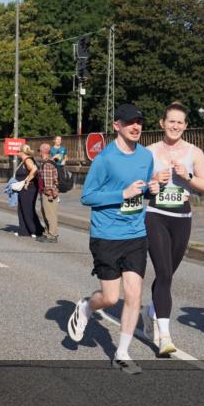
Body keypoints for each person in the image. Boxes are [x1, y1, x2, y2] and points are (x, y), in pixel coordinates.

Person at [69, 103, 154, 374]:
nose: (136, 126)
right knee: (110, 298)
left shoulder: (145, 157)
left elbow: (143, 192)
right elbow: (87, 196)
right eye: (130, 122)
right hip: (106, 235)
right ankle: (86, 306)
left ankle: (122, 352)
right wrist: (123, 194)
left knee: (134, 294)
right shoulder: (105, 159)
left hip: (136, 234)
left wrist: (152, 189)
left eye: (139, 121)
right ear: (116, 125)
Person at [141, 102, 204, 355]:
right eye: (171, 121)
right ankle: (165, 336)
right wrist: (152, 182)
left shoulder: (194, 153)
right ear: (162, 123)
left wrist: (188, 177)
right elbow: (135, 184)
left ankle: (150, 310)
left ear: (185, 126)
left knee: (167, 275)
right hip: (156, 215)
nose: (175, 126)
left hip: (182, 218)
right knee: (164, 272)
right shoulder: (148, 152)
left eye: (180, 122)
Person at [14, 144, 43, 238]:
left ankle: (34, 230)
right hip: (26, 188)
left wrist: (27, 181)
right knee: (22, 209)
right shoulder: (24, 161)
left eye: (18, 151)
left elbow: (34, 169)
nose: (17, 153)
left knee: (27, 209)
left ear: (22, 152)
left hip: (29, 188)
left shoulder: (27, 160)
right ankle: (25, 230)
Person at [36, 142, 60, 243]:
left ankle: (52, 235)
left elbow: (49, 182)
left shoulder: (47, 164)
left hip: (48, 193)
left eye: (40, 152)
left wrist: (49, 195)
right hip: (45, 192)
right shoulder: (47, 162)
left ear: (43, 151)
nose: (39, 153)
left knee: (50, 214)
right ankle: (47, 232)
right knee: (46, 213)